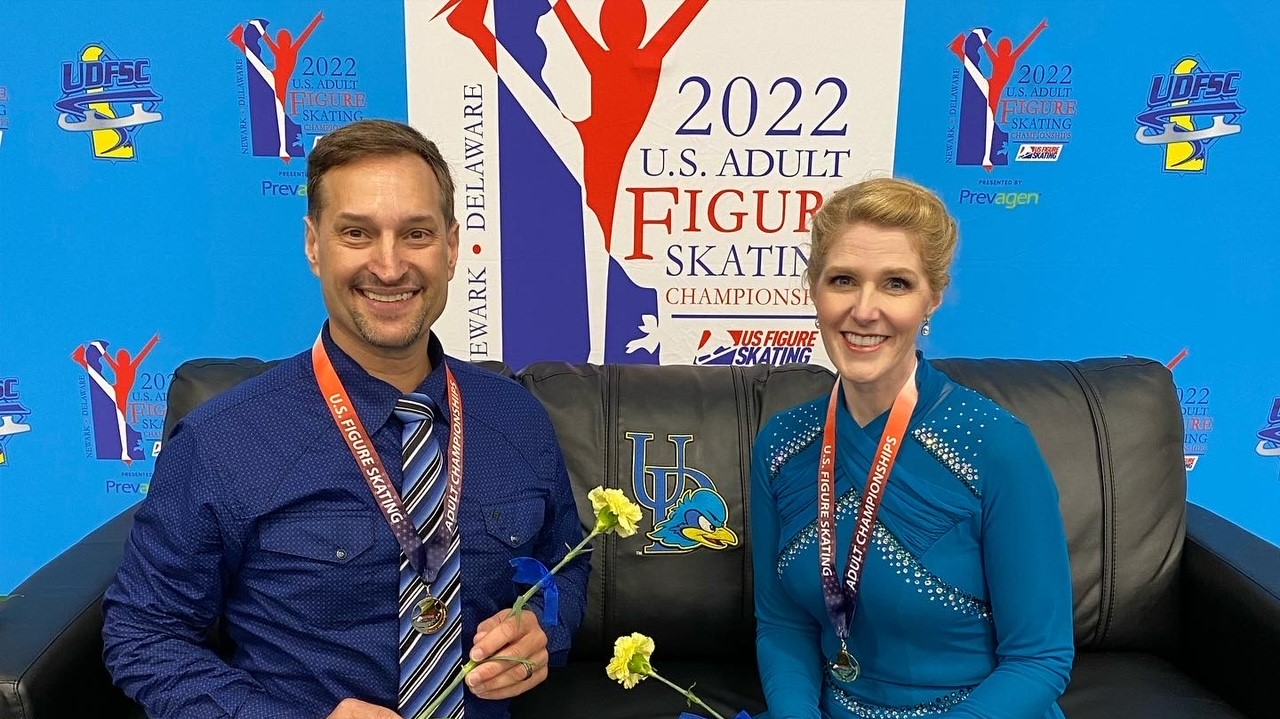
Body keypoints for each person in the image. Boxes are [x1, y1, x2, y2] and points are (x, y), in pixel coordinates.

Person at [103, 119, 590, 719]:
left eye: (416, 234)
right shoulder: (223, 439)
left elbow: (567, 564)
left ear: (452, 248)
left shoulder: (516, 417)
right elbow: (144, 634)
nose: (389, 267)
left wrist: (545, 627)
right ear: (313, 246)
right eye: (357, 233)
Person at [751, 178, 1073, 718]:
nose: (864, 309)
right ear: (814, 289)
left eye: (896, 284)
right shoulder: (781, 442)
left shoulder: (996, 445)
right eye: (843, 280)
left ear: (933, 298)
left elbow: (1039, 659)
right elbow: (782, 624)